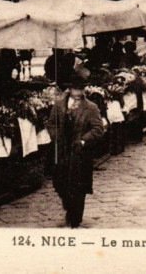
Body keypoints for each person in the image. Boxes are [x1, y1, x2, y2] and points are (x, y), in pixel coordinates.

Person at [47, 72, 105, 228]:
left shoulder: (91, 108)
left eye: (81, 90)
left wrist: (83, 140)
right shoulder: (59, 105)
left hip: (80, 154)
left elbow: (98, 129)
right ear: (69, 90)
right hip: (63, 151)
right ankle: (69, 205)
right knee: (61, 184)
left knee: (79, 186)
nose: (78, 93)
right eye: (75, 90)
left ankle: (75, 217)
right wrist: (56, 137)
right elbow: (51, 124)